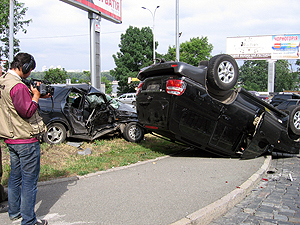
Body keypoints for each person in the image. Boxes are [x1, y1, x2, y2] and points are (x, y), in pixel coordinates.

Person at [0, 53, 49, 225]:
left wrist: (34, 95)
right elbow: (27, 112)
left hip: (11, 138)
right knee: (29, 182)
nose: (29, 74)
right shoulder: (18, 87)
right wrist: (35, 97)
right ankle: (29, 220)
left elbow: (14, 106)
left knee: (15, 177)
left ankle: (14, 213)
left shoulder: (4, 81)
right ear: (25, 67)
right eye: (30, 71)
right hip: (25, 140)